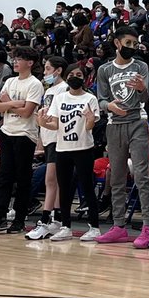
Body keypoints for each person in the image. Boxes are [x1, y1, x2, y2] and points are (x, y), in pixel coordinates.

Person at [94, 27, 149, 246]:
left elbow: (146, 96)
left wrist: (141, 89)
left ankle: (148, 225)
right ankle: (118, 225)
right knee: (117, 176)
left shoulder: (141, 66)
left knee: (141, 175)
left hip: (137, 122)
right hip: (114, 124)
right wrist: (108, 105)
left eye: (134, 43)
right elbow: (100, 100)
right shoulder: (104, 69)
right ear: (117, 43)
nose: (132, 47)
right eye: (127, 43)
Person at [0, 47, 44, 234]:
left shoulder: (35, 84)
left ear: (30, 63)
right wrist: (13, 103)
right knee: (4, 176)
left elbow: (27, 112)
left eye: (20, 59)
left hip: (24, 135)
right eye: (15, 58)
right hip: (7, 132)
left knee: (22, 178)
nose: (15, 62)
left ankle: (19, 219)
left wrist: (7, 103)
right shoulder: (10, 81)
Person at [42, 62, 101, 241]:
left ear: (84, 78)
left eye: (79, 75)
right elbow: (55, 124)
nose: (75, 77)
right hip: (62, 149)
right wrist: (42, 122)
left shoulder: (90, 99)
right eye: (72, 74)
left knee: (87, 187)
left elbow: (91, 126)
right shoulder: (60, 98)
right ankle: (66, 226)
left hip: (83, 148)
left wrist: (90, 119)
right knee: (65, 189)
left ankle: (95, 227)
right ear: (66, 77)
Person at [28, 56, 69, 240]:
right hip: (48, 138)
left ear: (58, 70)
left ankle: (46, 220)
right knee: (53, 181)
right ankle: (56, 219)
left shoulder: (64, 89)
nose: (44, 73)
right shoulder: (50, 90)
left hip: (58, 138)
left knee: (51, 180)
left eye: (47, 69)